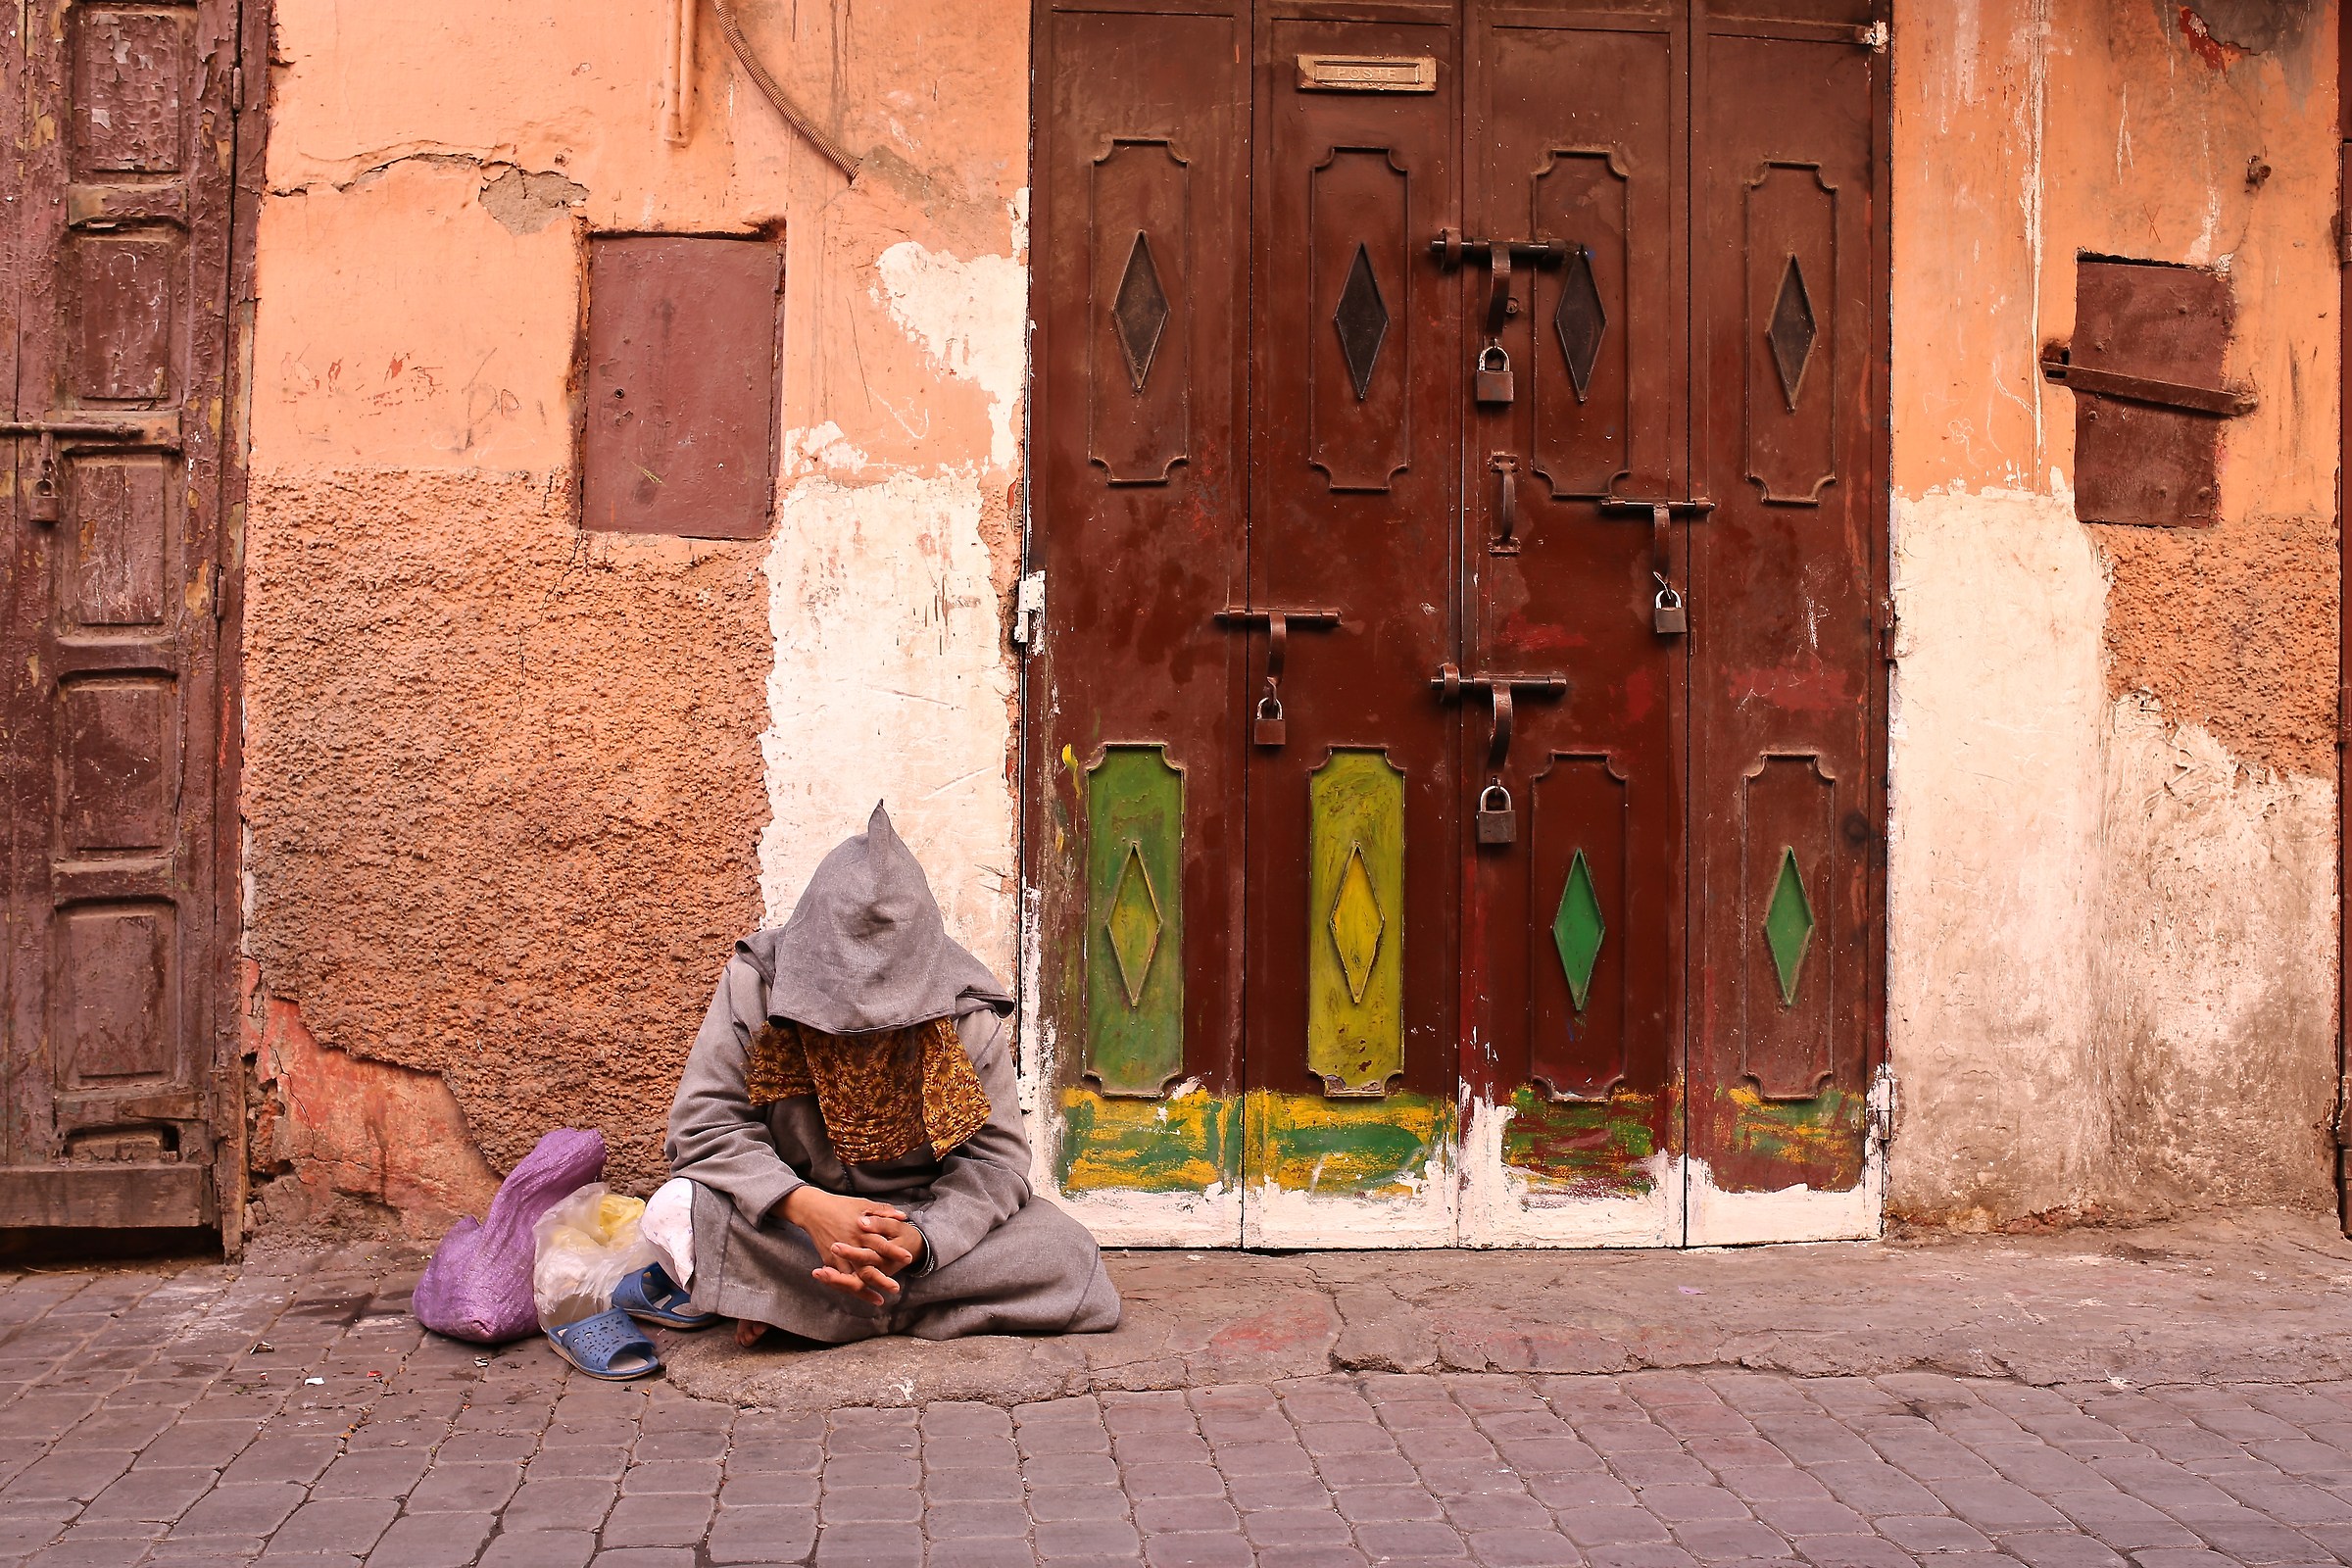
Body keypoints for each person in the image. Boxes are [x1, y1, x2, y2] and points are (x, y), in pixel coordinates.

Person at [638, 804, 1120, 1348]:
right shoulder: (755, 985)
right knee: (673, 1212)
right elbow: (704, 1128)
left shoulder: (964, 1012)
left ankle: (806, 1307)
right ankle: (860, 1305)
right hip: (795, 1222)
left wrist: (917, 1242)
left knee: (1065, 1253)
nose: (861, 1031)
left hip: (923, 1228)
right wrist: (810, 1209)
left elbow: (997, 1164)